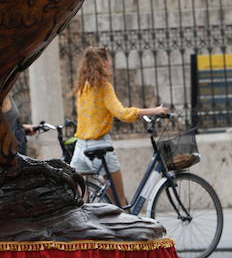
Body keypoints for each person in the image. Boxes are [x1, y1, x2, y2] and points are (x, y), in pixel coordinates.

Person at [69, 46, 168, 206]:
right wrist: (153, 110)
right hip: (100, 146)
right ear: (105, 63)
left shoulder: (82, 87)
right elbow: (122, 113)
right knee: (120, 204)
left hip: (80, 149)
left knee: (80, 204)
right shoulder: (103, 87)